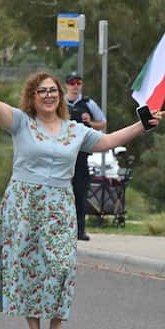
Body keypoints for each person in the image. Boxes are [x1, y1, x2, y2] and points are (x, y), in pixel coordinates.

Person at [0, 50, 160, 329]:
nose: (47, 95)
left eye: (52, 91)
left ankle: (57, 322)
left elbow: (108, 141)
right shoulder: (21, 123)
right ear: (32, 96)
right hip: (24, 202)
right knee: (28, 267)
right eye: (41, 91)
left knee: (60, 265)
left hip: (59, 203)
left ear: (60, 96)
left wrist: (142, 126)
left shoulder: (75, 131)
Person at [64, 73, 106, 242]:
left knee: (80, 194)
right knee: (63, 193)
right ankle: (63, 229)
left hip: (81, 155)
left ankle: (80, 230)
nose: (75, 86)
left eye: (78, 82)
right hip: (64, 155)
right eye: (72, 83)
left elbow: (102, 123)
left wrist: (90, 123)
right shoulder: (60, 102)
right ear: (66, 84)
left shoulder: (88, 103)